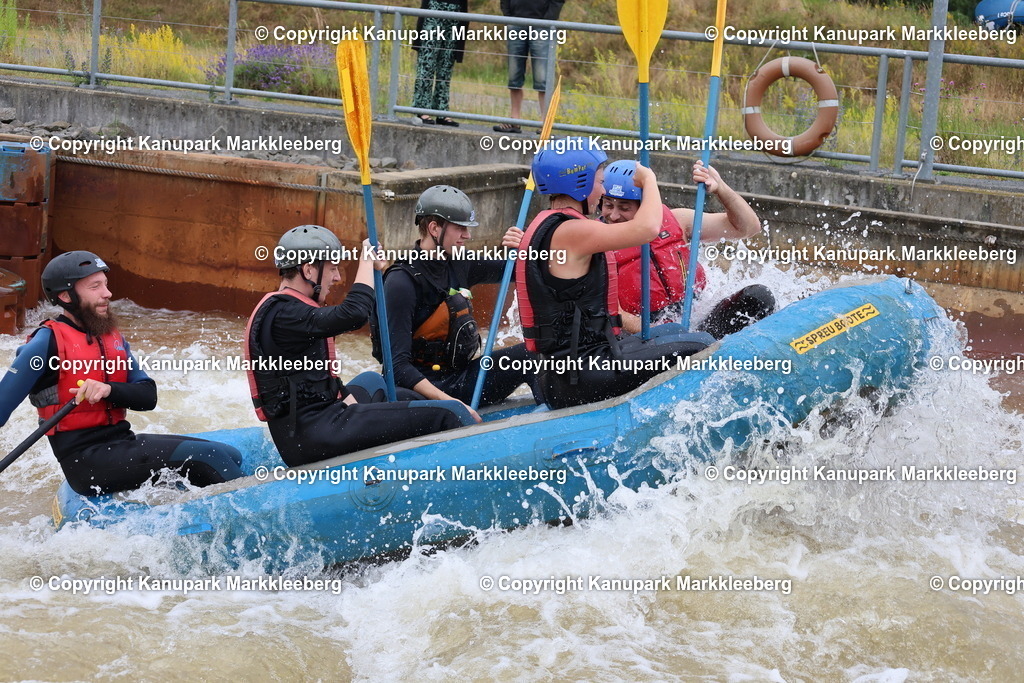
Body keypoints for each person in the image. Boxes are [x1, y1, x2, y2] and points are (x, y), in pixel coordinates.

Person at [0, 251, 245, 496]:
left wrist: (108, 390)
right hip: (86, 462)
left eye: (105, 284)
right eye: (95, 286)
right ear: (66, 296)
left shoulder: (111, 338)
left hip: (121, 442)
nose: (107, 293)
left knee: (231, 455)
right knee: (210, 457)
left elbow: (148, 397)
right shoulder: (44, 344)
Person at [246, 225, 470, 467]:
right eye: (332, 269)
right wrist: (366, 260)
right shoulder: (285, 315)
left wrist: (357, 407)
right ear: (308, 270)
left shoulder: (289, 309)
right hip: (315, 437)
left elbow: (318, 380)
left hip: (318, 423)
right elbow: (353, 314)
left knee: (375, 383)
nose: (337, 278)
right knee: (449, 414)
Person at [514, 139, 713, 410]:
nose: (602, 190)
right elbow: (648, 229)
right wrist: (649, 180)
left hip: (581, 363)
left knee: (674, 331)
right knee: (702, 345)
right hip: (579, 375)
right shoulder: (571, 231)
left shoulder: (553, 222)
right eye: (599, 182)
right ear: (580, 183)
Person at [375, 185, 541, 419]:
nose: (468, 235)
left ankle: (551, 419)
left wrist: (526, 246)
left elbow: (518, 269)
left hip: (459, 379)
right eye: (460, 228)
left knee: (530, 356)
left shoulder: (460, 262)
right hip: (421, 391)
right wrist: (453, 405)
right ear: (434, 228)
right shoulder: (401, 282)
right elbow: (397, 368)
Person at [601, 159, 776, 338]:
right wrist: (670, 334)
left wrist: (721, 188)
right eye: (608, 205)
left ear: (646, 205)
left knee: (758, 296)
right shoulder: (597, 244)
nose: (613, 216)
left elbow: (747, 228)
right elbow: (615, 314)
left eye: (624, 208)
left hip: (693, 322)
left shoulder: (678, 220)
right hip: (645, 336)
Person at [493, 0, 565, 134]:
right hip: (516, 24)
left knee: (542, 77)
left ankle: (545, 123)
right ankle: (514, 120)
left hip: (542, 26)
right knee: (514, 75)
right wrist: (509, 18)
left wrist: (547, 20)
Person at [410, 0, 468, 127]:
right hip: (434, 7)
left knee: (446, 66)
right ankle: (422, 109)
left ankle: (442, 111)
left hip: (456, 9)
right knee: (427, 63)